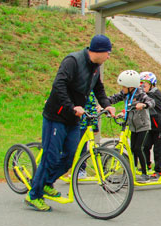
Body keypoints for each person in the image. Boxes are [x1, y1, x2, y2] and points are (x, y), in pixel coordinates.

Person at [26, 34, 116, 211]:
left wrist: (107, 105)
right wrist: (71, 106)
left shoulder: (95, 68)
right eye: (108, 52)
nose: (109, 56)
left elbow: (99, 89)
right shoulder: (73, 61)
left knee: (69, 158)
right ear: (98, 51)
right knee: (50, 157)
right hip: (57, 116)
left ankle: (46, 182)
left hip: (74, 118)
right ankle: (33, 195)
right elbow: (58, 85)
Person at [108, 70, 155, 183]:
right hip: (132, 125)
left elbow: (151, 102)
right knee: (132, 149)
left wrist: (143, 105)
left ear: (131, 86)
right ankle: (132, 170)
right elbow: (113, 98)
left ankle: (145, 173)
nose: (122, 88)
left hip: (143, 125)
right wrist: (104, 104)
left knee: (138, 148)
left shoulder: (140, 93)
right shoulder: (125, 93)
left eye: (124, 86)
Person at [140, 72, 161, 180]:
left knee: (157, 150)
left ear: (152, 85)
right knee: (144, 146)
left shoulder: (155, 95)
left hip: (160, 126)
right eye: (140, 85)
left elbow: (148, 100)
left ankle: (158, 171)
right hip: (150, 126)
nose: (141, 87)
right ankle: (147, 165)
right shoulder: (144, 94)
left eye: (144, 85)